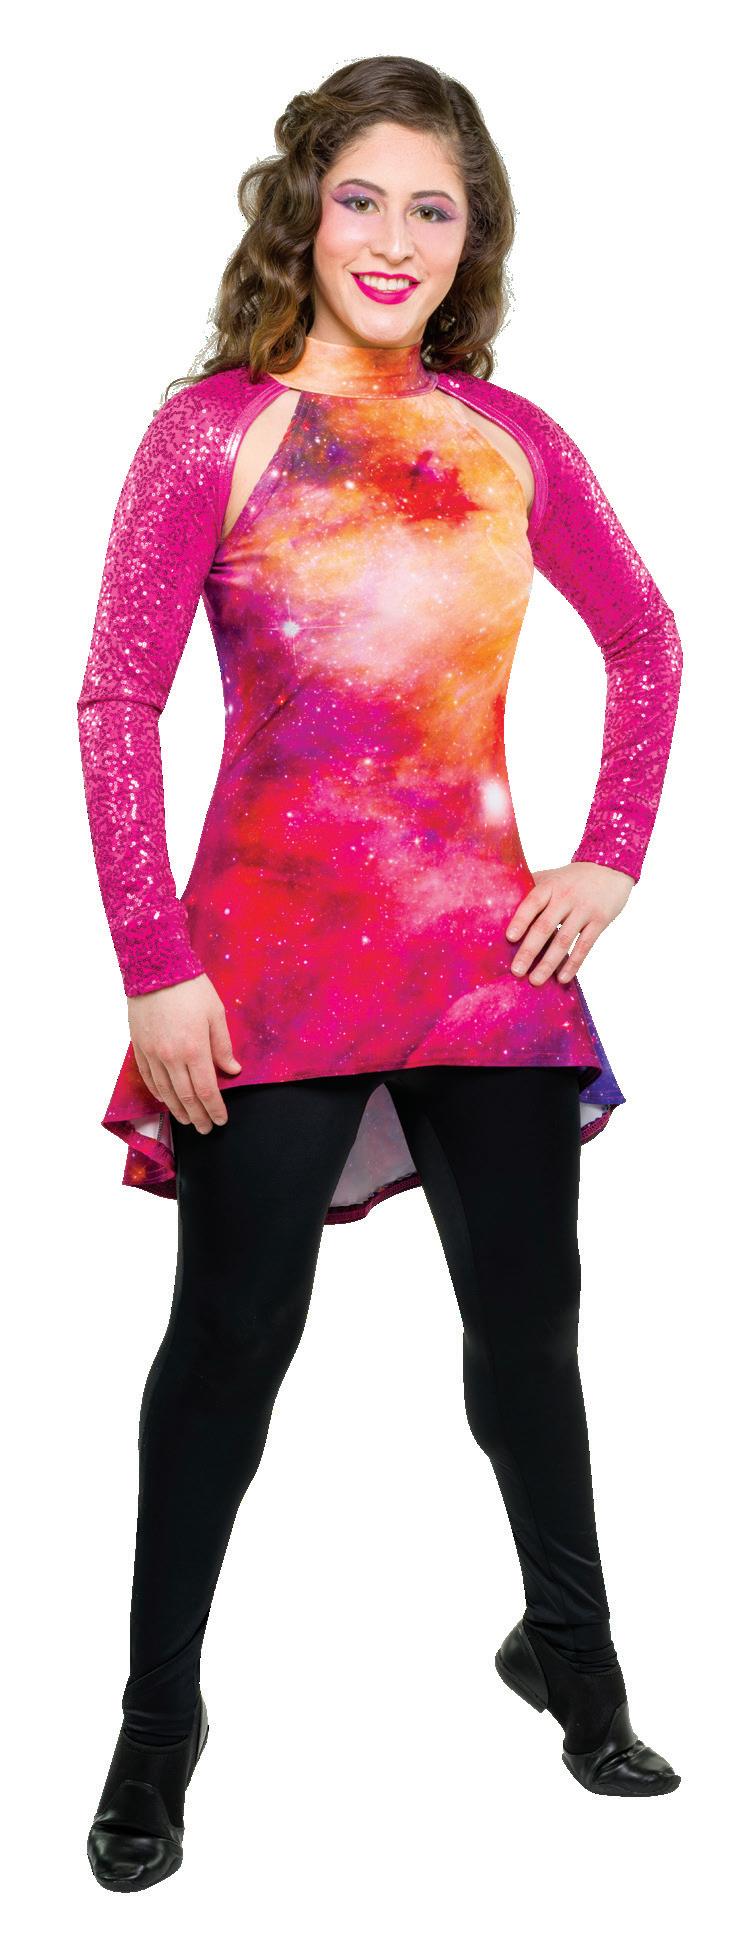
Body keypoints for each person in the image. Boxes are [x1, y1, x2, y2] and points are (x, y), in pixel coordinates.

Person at [80, 57, 683, 1893]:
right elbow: (117, 699)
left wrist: (608, 851)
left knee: (529, 1330)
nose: (397, 237)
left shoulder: (509, 436)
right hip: (260, 964)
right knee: (228, 1345)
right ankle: (156, 1721)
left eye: (435, 205)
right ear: (304, 211)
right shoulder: (214, 431)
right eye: (364, 198)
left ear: (470, 233)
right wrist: (152, 962)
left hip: (483, 962)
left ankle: (569, 1654)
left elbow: (647, 637)